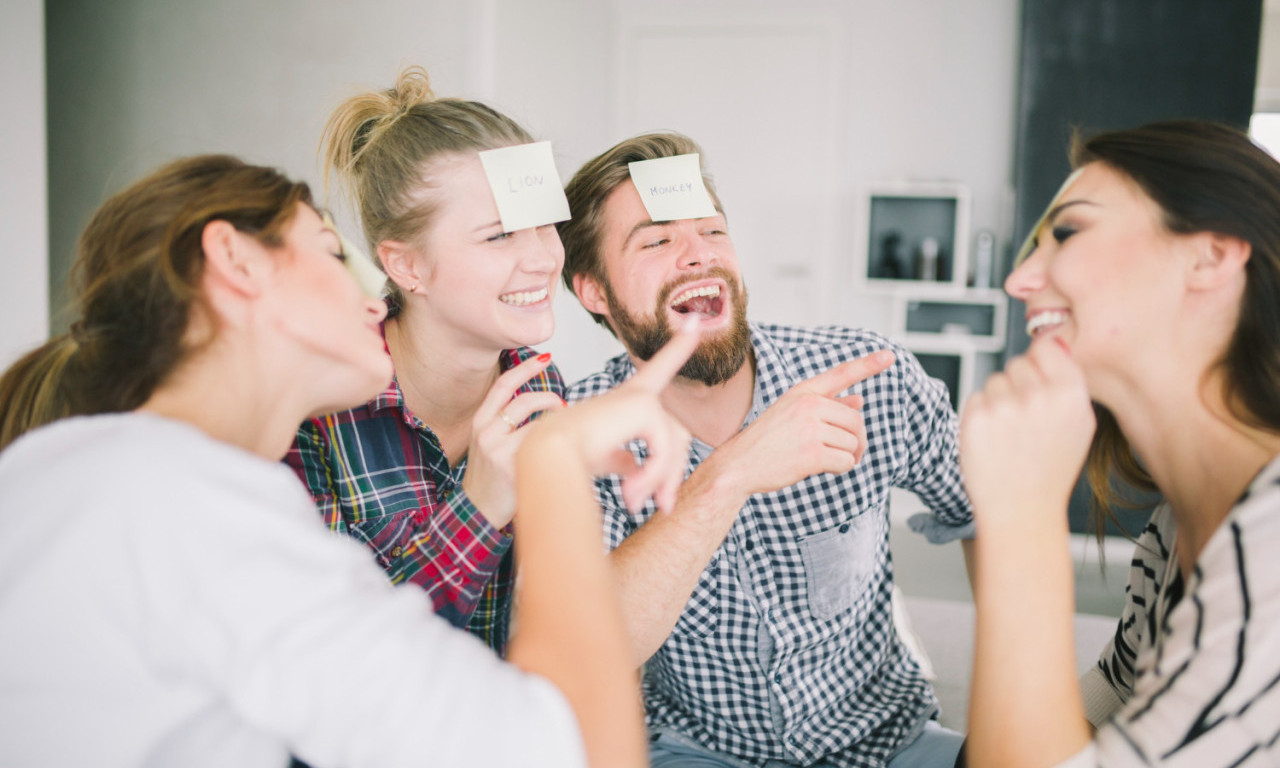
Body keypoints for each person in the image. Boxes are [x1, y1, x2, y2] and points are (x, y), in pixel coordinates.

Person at [0, 153, 701, 767]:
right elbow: (569, 750)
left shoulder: (74, 475)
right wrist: (553, 463)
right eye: (334, 253)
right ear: (236, 260)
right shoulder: (183, 504)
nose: (374, 297)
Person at [557, 131, 975, 768]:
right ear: (593, 291)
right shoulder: (579, 434)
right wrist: (733, 473)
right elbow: (591, 648)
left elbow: (985, 510)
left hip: (892, 742)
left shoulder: (869, 376)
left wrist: (1007, 710)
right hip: (700, 752)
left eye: (713, 230)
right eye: (658, 239)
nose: (699, 255)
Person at [959, 119, 1280, 767]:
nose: (1019, 281)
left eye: (1069, 232)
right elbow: (1114, 693)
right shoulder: (1171, 531)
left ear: (1210, 256)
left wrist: (1021, 515)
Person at [285, 65, 565, 653]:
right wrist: (482, 505)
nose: (543, 259)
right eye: (500, 236)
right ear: (406, 266)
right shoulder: (312, 414)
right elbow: (337, 660)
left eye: (547, 225)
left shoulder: (540, 391)